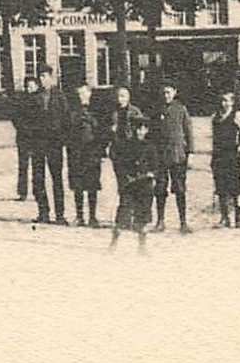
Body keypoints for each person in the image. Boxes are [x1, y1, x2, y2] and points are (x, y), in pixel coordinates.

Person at [109, 108, 156, 254]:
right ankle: (113, 244)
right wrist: (124, 178)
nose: (140, 132)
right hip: (129, 185)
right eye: (137, 128)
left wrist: (151, 175)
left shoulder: (150, 147)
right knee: (123, 214)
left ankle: (142, 247)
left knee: (143, 216)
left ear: (147, 130)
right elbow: (119, 163)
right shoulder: (125, 145)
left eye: (143, 129)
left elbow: (155, 166)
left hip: (144, 186)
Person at [151, 82, 195, 233]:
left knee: (180, 188)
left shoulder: (181, 109)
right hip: (160, 155)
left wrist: (190, 152)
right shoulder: (157, 109)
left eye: (169, 92)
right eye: (163, 92)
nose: (166, 95)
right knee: (160, 188)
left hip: (177, 155)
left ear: (175, 92)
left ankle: (183, 222)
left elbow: (188, 131)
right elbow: (152, 132)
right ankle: (160, 221)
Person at [30, 66, 69, 224]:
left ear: (52, 78)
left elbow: (66, 119)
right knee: (38, 179)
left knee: (57, 178)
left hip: (54, 144)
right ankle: (43, 212)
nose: (42, 79)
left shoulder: (60, 96)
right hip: (38, 143)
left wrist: (61, 139)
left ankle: (60, 215)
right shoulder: (34, 97)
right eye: (40, 76)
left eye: (45, 76)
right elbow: (28, 120)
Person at [66, 82, 106, 227]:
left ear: (89, 93)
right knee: (78, 185)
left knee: (92, 184)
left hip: (92, 152)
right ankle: (79, 216)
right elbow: (68, 129)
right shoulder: (73, 111)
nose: (82, 96)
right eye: (79, 94)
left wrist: (100, 150)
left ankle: (93, 217)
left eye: (84, 93)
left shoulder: (97, 110)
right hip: (77, 152)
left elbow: (102, 131)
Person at [211, 89, 240, 228]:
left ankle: (238, 216)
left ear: (232, 102)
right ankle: (224, 216)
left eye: (226, 100)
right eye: (222, 100)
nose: (223, 103)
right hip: (219, 155)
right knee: (220, 186)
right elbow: (214, 137)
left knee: (235, 186)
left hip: (232, 154)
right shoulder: (216, 117)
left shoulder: (238, 116)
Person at [12, 75, 39, 202]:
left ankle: (37, 191)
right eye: (27, 87)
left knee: (36, 166)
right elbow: (15, 117)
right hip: (23, 137)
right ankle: (22, 192)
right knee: (23, 166)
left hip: (36, 138)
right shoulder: (20, 101)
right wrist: (23, 128)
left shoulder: (40, 100)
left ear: (36, 87)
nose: (29, 89)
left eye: (31, 86)